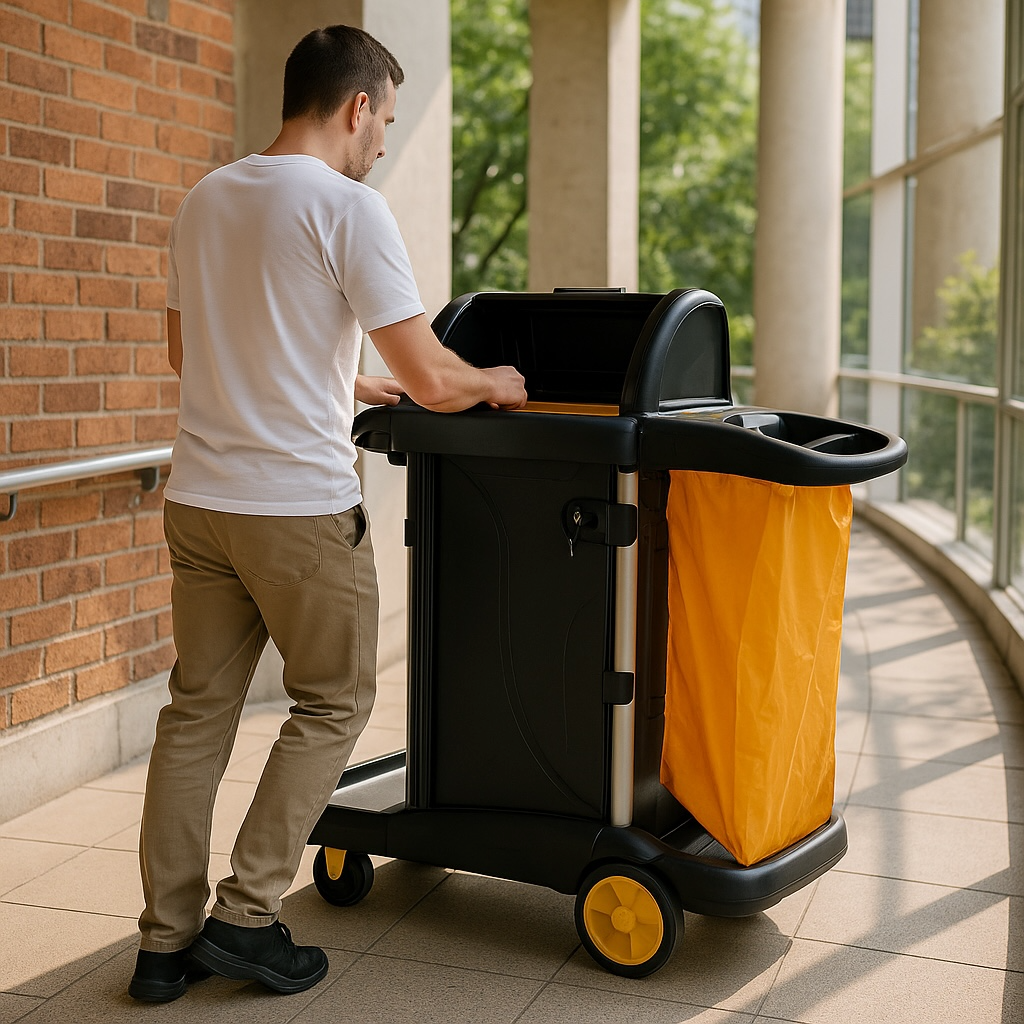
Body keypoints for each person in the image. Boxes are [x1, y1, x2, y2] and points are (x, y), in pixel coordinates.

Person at [128, 24, 527, 1003]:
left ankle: (162, 944)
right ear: (356, 106)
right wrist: (496, 379)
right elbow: (435, 379)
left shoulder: (206, 196)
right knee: (333, 701)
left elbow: (198, 356)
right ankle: (246, 917)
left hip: (201, 502)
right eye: (386, 118)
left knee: (194, 717)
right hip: (299, 509)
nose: (385, 139)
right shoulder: (349, 207)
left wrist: (341, 378)